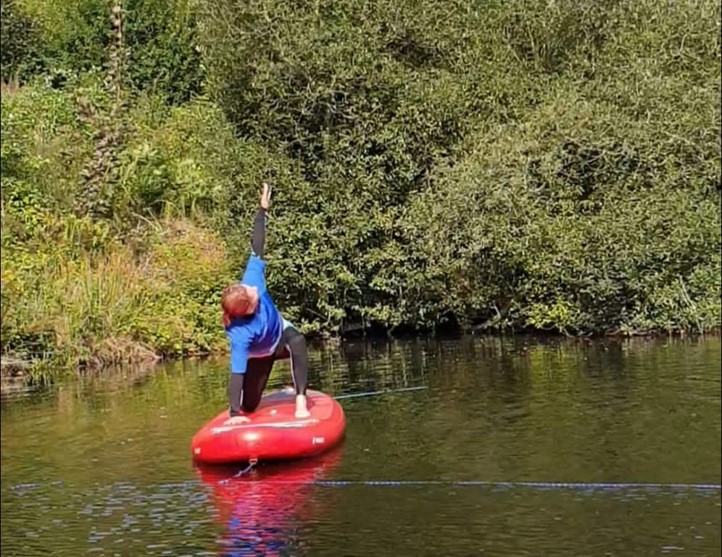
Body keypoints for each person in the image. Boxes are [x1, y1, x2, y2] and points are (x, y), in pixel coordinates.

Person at [220, 182, 310, 425]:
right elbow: (237, 373)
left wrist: (262, 211)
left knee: (298, 340)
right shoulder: (239, 334)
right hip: (260, 353)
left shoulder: (252, 280)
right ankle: (251, 403)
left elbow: (257, 245)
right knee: (251, 404)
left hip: (280, 334)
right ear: (248, 308)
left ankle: (300, 399)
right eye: (250, 294)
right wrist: (234, 414)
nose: (253, 289)